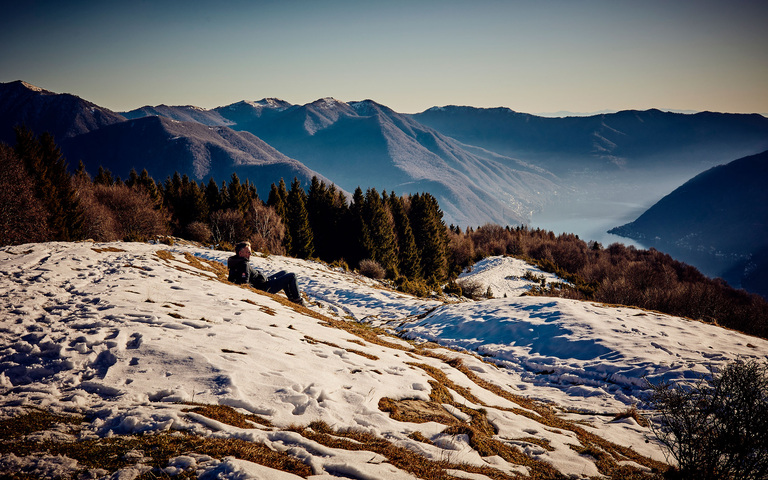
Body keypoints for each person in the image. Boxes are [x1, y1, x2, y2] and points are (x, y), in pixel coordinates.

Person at [227, 241, 305, 305]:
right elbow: (245, 283)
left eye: (250, 252)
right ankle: (298, 300)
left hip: (265, 281)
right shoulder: (244, 264)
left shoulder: (235, 261)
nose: (250, 254)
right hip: (265, 287)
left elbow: (232, 277)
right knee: (292, 276)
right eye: (248, 252)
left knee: (285, 272)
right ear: (240, 253)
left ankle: (292, 298)